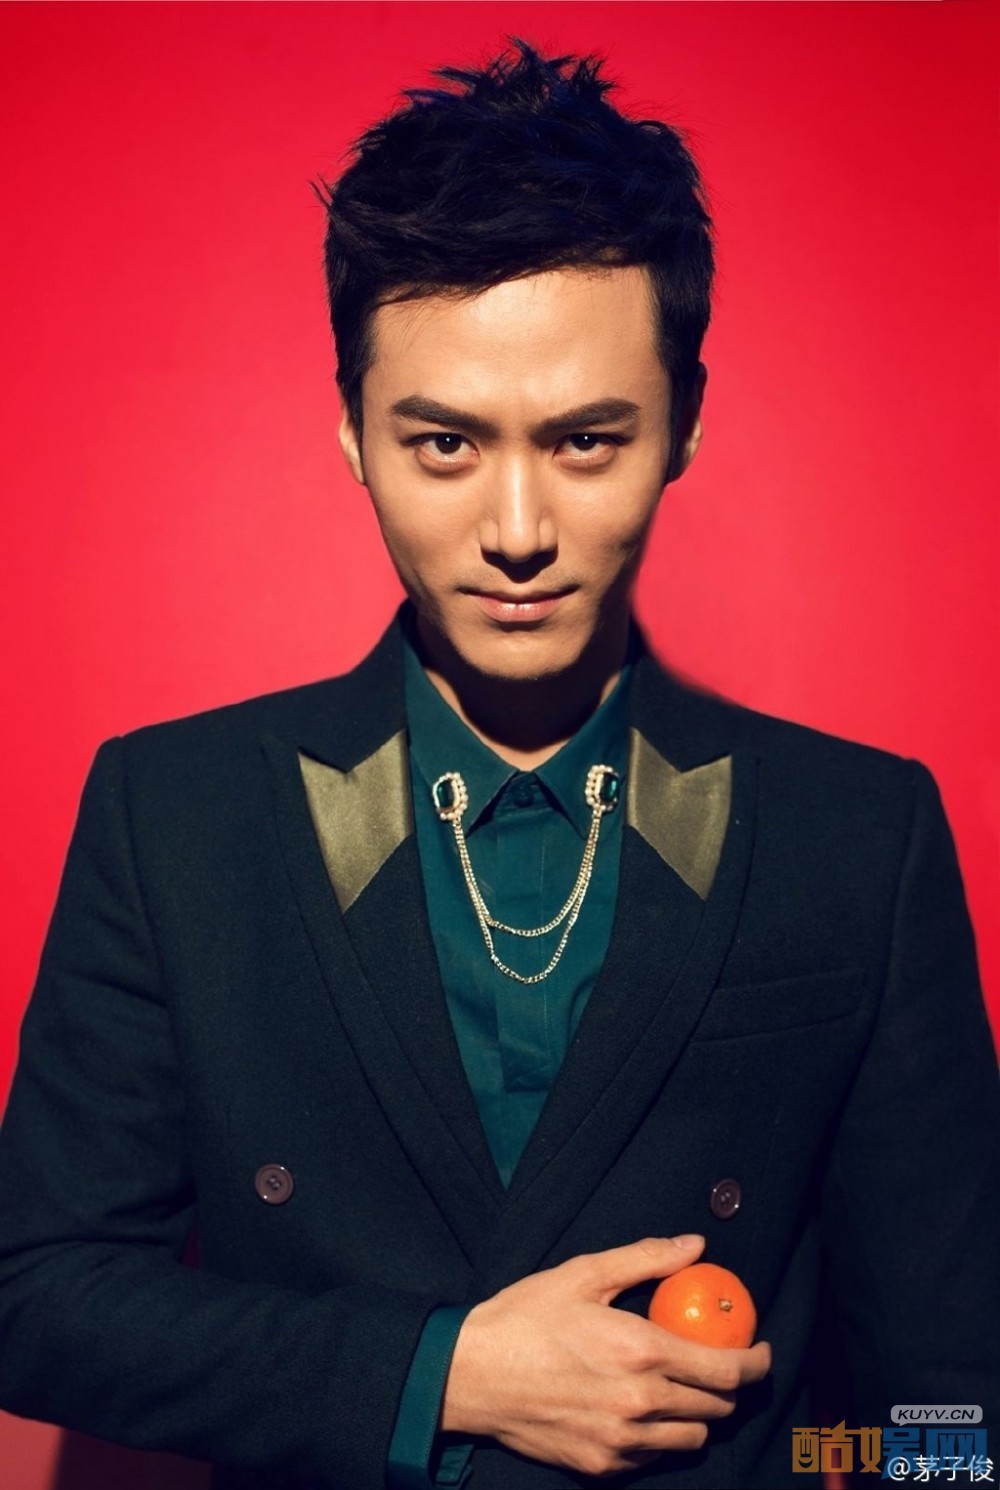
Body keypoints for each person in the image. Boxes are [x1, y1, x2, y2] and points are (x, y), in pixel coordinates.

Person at [0, 40, 996, 1490]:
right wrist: (445, 1375)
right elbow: (36, 1300)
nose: (517, 529)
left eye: (586, 441)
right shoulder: (178, 818)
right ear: (352, 428)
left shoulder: (857, 834)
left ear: (686, 424)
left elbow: (958, 1415)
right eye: (445, 445)